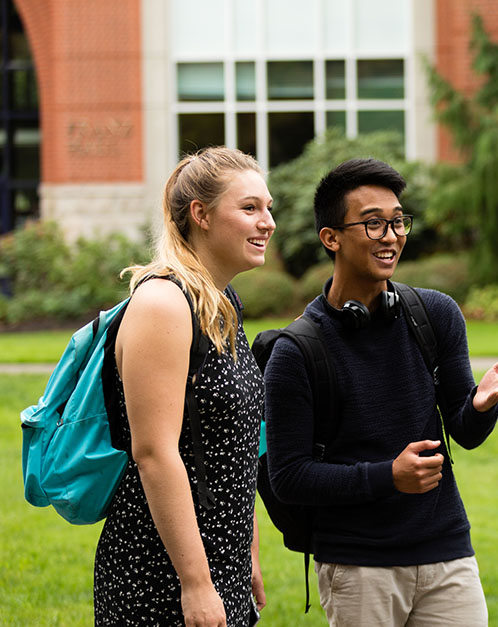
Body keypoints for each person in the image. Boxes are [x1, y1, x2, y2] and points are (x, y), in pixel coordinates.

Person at [263, 158, 498, 626]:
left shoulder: (435, 314)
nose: (391, 235)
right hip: (357, 566)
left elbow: (465, 433)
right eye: (374, 223)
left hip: (447, 555)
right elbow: (290, 477)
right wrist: (388, 477)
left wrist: (480, 406)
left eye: (398, 221)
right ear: (331, 237)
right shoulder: (297, 350)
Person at [94, 146, 275, 626]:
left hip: (222, 563)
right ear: (202, 215)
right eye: (250, 208)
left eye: (268, 208)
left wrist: (247, 550)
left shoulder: (221, 301)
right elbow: (153, 452)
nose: (268, 223)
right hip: (161, 572)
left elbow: (231, 444)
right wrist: (196, 583)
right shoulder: (164, 303)